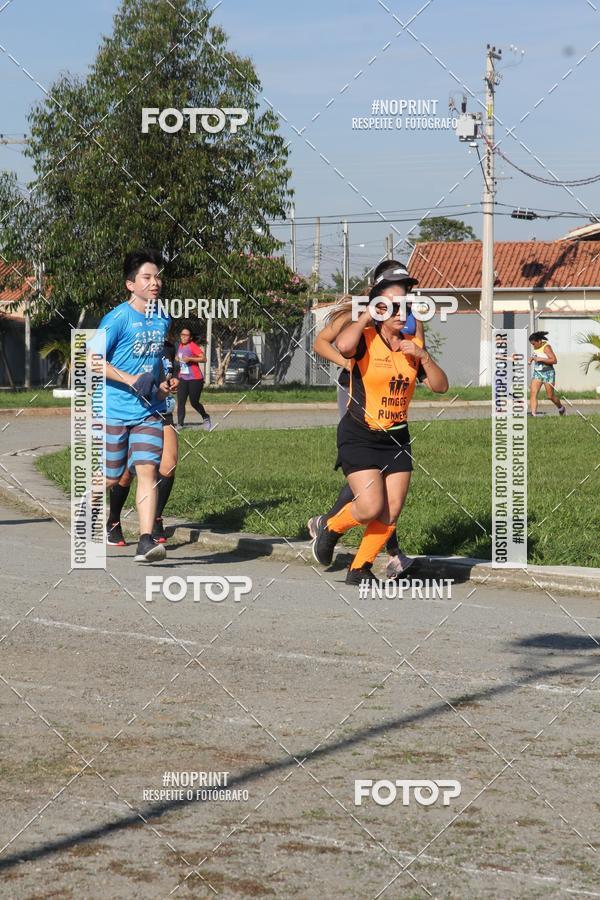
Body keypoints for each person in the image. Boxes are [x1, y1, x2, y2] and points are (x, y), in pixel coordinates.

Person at [311, 265, 448, 586]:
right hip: (360, 419)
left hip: (397, 435)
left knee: (391, 508)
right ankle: (329, 528)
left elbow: (439, 385)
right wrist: (350, 353)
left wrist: (423, 356)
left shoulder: (411, 331)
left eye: (407, 298)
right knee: (372, 504)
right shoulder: (361, 324)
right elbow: (337, 345)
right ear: (377, 296)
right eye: (395, 297)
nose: (404, 307)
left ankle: (359, 567)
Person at [95, 248, 177, 562]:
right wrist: (129, 378)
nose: (154, 282)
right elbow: (89, 360)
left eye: (157, 276)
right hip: (114, 409)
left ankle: (145, 540)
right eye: (147, 277)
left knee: (147, 470)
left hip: (148, 410)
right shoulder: (116, 318)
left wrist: (162, 383)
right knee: (113, 477)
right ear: (131, 284)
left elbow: (155, 362)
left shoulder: (161, 317)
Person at [106, 337, 179, 546]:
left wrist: (172, 382)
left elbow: (168, 373)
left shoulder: (168, 347)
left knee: (168, 464)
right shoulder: (133, 340)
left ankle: (154, 519)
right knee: (126, 473)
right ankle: (113, 520)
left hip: (161, 408)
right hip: (132, 410)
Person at [176, 327, 211, 429]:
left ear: (190, 337)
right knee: (181, 402)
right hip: (182, 378)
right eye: (182, 334)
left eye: (186, 335)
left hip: (195, 379)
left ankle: (205, 417)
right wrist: (177, 358)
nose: (183, 337)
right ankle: (180, 424)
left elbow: (204, 358)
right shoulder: (180, 345)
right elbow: (180, 357)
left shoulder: (192, 346)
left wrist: (190, 359)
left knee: (194, 402)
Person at [528, 331, 566, 417]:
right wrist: (531, 359)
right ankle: (533, 414)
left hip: (548, 373)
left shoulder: (547, 347)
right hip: (537, 373)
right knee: (533, 393)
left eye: (534, 344)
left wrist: (541, 359)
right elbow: (536, 356)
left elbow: (554, 360)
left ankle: (561, 408)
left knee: (550, 396)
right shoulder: (536, 347)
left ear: (539, 341)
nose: (533, 346)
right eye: (532, 344)